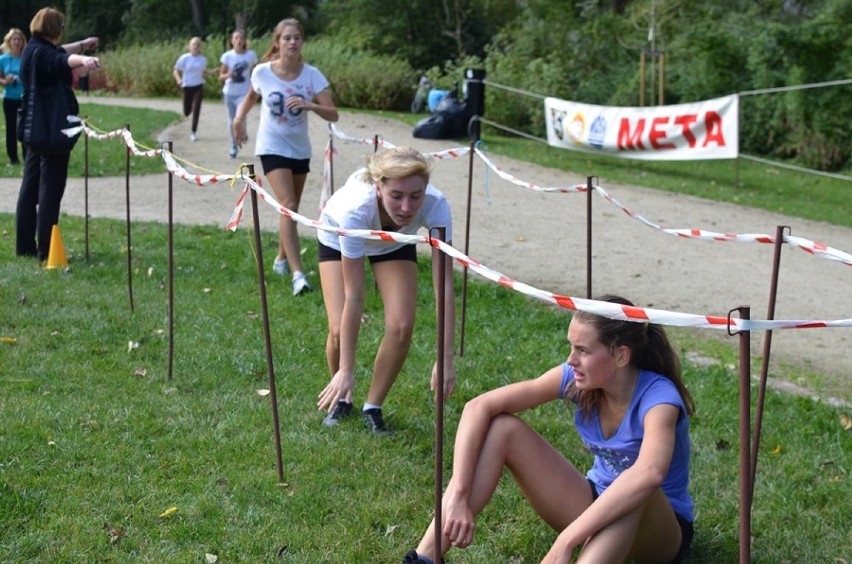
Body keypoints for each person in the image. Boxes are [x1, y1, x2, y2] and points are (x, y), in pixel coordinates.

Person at [403, 295, 695, 563]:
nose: (571, 359)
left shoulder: (659, 398)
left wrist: (567, 539)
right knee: (502, 428)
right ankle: (425, 557)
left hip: (659, 529)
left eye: (583, 350)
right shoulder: (576, 379)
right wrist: (458, 496)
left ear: (620, 356)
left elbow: (650, 474)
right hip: (593, 503)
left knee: (635, 487)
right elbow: (478, 407)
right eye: (571, 347)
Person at [315, 146, 457, 435]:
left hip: (394, 241)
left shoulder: (437, 205)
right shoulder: (355, 210)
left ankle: (373, 407)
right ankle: (342, 395)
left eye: (415, 196)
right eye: (397, 196)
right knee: (339, 328)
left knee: (402, 325)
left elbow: (444, 285)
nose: (407, 207)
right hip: (337, 237)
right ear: (379, 187)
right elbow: (355, 296)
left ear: (425, 189)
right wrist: (347, 368)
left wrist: (445, 358)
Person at [233, 18, 338, 296]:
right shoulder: (262, 72)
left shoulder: (312, 75)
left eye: (297, 38)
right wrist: (239, 119)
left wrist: (310, 104)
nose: (292, 42)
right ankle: (298, 275)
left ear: (302, 42)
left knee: (290, 210)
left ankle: (280, 258)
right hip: (271, 147)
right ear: (277, 42)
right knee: (288, 204)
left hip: (300, 149)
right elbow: (250, 96)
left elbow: (333, 114)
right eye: (287, 38)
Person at [15, 8, 99, 260]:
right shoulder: (44, 54)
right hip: (51, 133)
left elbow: (61, 52)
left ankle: (25, 247)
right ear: (55, 29)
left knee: (30, 189)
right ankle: (46, 251)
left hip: (34, 131)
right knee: (50, 191)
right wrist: (83, 60)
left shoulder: (33, 49)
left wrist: (83, 45)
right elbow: (61, 60)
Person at [219, 29, 257, 159]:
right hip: (229, 92)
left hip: (244, 92)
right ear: (232, 41)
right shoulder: (227, 56)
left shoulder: (251, 55)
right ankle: (234, 146)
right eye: (236, 38)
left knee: (241, 118)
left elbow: (256, 73)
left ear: (245, 40)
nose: (239, 41)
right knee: (231, 121)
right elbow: (221, 76)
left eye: (241, 38)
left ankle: (243, 131)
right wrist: (228, 75)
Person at [173, 37, 215, 142]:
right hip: (187, 86)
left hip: (198, 86)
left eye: (197, 44)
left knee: (196, 109)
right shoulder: (184, 58)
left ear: (200, 47)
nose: (195, 46)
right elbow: (175, 71)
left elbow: (203, 73)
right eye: (193, 44)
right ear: (189, 46)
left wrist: (212, 72)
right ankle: (188, 110)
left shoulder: (203, 59)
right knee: (187, 112)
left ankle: (193, 132)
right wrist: (178, 80)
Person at [0, 28, 26, 166]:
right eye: (14, 39)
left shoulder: (26, 58)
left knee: (24, 128)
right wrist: (5, 81)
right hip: (9, 98)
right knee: (11, 129)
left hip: (24, 98)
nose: (16, 42)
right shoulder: (3, 59)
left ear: (23, 42)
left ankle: (27, 157)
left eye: (19, 39)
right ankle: (13, 159)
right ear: (9, 42)